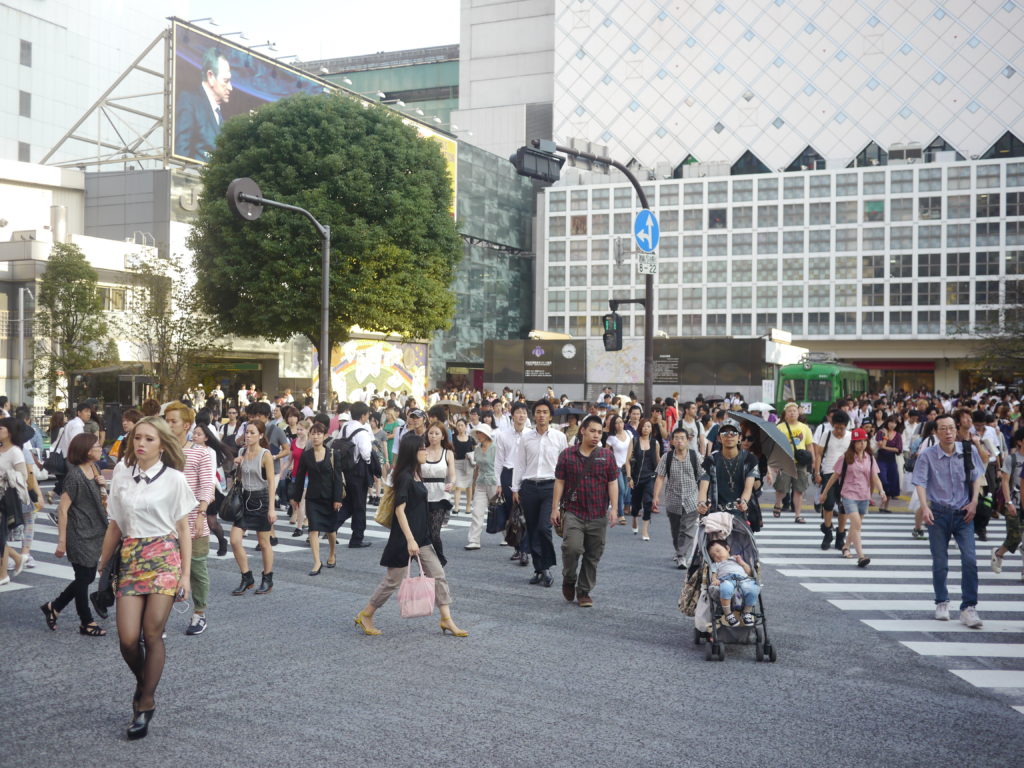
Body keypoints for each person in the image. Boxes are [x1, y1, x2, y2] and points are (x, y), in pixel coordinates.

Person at [95, 416, 196, 740]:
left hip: (164, 558)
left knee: (152, 633)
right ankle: (145, 682)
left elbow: (184, 530)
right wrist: (102, 562)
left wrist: (185, 576)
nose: (141, 443)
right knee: (126, 639)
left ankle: (145, 702)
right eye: (138, 437)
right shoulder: (123, 477)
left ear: (162, 444)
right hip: (131, 558)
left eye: (149, 439)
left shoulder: (175, 479)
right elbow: (115, 524)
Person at [354, 433, 467, 637]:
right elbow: (399, 509)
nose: (425, 451)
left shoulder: (417, 474)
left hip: (421, 537)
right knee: (392, 581)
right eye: (422, 449)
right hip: (404, 538)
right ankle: (366, 614)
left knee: (438, 575)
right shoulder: (405, 476)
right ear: (413, 452)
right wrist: (410, 539)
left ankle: (446, 619)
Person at [912, 414, 984, 629]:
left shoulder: (967, 451)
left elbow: (976, 478)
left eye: (951, 428)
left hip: (964, 513)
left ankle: (968, 607)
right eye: (943, 428)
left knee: (970, 559)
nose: (948, 432)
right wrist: (925, 507)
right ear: (935, 432)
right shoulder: (927, 456)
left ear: (957, 429)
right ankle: (942, 601)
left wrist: (974, 503)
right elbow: (920, 482)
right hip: (939, 513)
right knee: (940, 562)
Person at [42, 432, 108, 635]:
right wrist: (61, 541)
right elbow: (62, 509)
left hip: (96, 532)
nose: (100, 449)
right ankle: (86, 622)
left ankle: (54, 606)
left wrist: (102, 488)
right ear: (86, 451)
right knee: (84, 577)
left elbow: (100, 502)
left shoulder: (93, 468)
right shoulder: (75, 475)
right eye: (97, 446)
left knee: (85, 577)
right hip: (79, 533)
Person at [551, 414, 619, 607]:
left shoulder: (606, 456)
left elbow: (612, 483)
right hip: (573, 512)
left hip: (598, 513)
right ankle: (569, 578)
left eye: (599, 432)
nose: (596, 435)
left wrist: (614, 509)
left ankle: (583, 591)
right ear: (583, 431)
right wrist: (554, 508)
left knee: (592, 555)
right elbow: (560, 482)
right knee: (571, 548)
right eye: (592, 431)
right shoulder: (567, 455)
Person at [163, 402, 214, 636]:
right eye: (166, 420)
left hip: (193, 521)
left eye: (173, 421)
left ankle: (199, 613)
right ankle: (158, 619)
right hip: (164, 522)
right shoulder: (160, 451)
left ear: (186, 425)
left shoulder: (201, 452)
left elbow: (206, 486)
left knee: (196, 569)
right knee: (165, 570)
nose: (168, 424)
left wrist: (202, 513)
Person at [511, 399, 567, 588]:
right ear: (533, 416)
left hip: (551, 487)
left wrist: (566, 491)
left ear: (550, 416)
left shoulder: (559, 437)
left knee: (544, 527)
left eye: (545, 412)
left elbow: (564, 465)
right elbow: (519, 464)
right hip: (529, 487)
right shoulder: (526, 438)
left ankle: (547, 567)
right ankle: (538, 569)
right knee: (533, 529)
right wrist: (515, 488)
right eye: (538, 412)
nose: (541, 415)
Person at [819, 428, 884, 568]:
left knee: (855, 526)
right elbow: (834, 476)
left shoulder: (870, 458)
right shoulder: (845, 457)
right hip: (849, 495)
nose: (862, 444)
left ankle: (846, 547)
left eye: (864, 441)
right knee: (857, 524)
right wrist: (824, 492)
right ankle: (861, 556)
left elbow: (874, 476)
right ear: (853, 443)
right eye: (858, 441)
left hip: (864, 496)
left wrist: (882, 491)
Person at [229, 421, 276, 596]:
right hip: (244, 499)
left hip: (261, 499)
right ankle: (246, 576)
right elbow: (237, 478)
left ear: (261, 435)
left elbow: (271, 483)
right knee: (234, 540)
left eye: (252, 432)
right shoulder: (242, 452)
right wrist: (237, 464)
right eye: (246, 432)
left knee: (264, 543)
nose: (248, 435)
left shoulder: (265, 455)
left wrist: (271, 508)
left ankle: (267, 578)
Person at [291, 422, 344, 575]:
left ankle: (332, 554)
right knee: (313, 529)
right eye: (313, 434)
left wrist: (337, 499)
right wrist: (296, 497)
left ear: (325, 436)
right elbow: (300, 477)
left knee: (331, 530)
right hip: (313, 498)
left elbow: (338, 479)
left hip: (330, 498)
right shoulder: (306, 456)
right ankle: (317, 562)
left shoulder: (333, 454)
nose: (315, 436)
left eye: (318, 434)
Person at [652, 428, 702, 569]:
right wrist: (655, 496)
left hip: (692, 500)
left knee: (687, 529)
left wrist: (704, 496)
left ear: (687, 440)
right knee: (676, 530)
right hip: (673, 500)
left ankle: (682, 556)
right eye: (676, 438)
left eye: (682, 438)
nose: (679, 441)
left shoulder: (695, 456)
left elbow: (704, 476)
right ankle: (679, 550)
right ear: (672, 441)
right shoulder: (666, 457)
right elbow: (660, 477)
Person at [174, 47, 232, 162]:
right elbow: (181, 151)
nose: (230, 88)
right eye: (226, 81)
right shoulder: (190, 101)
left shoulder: (219, 113)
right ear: (210, 76)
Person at [495, 402, 531, 563]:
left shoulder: (531, 434)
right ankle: (518, 548)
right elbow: (498, 460)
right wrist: (498, 483)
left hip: (526, 475)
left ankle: (524, 550)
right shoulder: (503, 435)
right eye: (518, 412)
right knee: (513, 513)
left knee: (524, 512)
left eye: (524, 412)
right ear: (512, 415)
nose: (521, 415)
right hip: (508, 474)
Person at [812, 410, 851, 551]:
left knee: (844, 507)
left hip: (846, 475)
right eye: (837, 427)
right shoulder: (826, 434)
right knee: (828, 505)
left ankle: (840, 535)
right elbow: (819, 455)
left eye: (842, 427)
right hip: (828, 472)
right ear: (832, 425)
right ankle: (828, 532)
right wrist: (817, 472)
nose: (839, 430)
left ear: (846, 426)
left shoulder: (850, 436)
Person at [336, 402, 374, 548]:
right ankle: (357, 538)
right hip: (358, 471)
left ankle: (331, 527)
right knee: (359, 505)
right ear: (364, 415)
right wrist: (370, 463)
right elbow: (366, 453)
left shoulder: (345, 427)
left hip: (346, 470)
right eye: (367, 414)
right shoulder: (362, 431)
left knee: (349, 503)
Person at [772, 403, 814, 523]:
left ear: (798, 413)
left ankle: (798, 515)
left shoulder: (805, 428)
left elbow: (809, 445)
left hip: (800, 463)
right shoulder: (780, 427)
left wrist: (813, 462)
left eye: (794, 411)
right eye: (789, 411)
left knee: (799, 490)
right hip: (784, 462)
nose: (792, 413)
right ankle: (778, 503)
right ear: (785, 414)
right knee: (781, 488)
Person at [991, 427, 1023, 578]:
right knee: (1014, 537)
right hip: (1014, 504)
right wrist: (1008, 502)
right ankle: (998, 553)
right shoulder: (1012, 459)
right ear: (1019, 442)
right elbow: (1005, 481)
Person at [0, 416, 29, 586]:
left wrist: (5, 477)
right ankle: (17, 558)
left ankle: (3, 574)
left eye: (1, 429)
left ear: (9, 433)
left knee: (0, 538)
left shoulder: (15, 452)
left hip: (5, 500)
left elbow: (23, 476)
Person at [707, 539, 759, 627]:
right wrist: (714, 580)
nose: (717, 555)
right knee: (725, 587)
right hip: (726, 579)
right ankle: (728, 614)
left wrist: (742, 563)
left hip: (743, 579)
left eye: (718, 551)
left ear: (727, 548)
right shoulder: (716, 564)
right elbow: (714, 574)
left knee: (752, 589)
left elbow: (749, 573)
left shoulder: (736, 559)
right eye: (713, 555)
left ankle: (746, 612)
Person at [465, 423, 497, 551]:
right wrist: (473, 484)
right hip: (480, 482)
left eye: (480, 433)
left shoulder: (495, 448)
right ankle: (474, 540)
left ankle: (507, 536)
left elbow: (500, 466)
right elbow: (477, 468)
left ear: (486, 435)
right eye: (477, 433)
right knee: (477, 511)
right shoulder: (477, 449)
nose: (478, 435)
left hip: (494, 482)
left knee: (497, 511)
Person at [628, 418, 661, 540]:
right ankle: (634, 517)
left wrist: (661, 474)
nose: (646, 428)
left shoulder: (655, 443)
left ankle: (645, 530)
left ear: (651, 429)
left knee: (647, 502)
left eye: (648, 426)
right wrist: (629, 477)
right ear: (640, 428)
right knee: (636, 504)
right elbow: (627, 461)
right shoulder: (634, 441)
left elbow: (658, 460)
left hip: (650, 476)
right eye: (644, 426)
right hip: (636, 477)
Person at [874, 417, 903, 512]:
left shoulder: (898, 435)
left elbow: (898, 450)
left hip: (892, 461)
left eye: (895, 423)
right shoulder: (881, 432)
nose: (893, 424)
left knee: (892, 482)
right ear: (887, 422)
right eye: (891, 422)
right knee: (884, 481)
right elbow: (881, 445)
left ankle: (884, 507)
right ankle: (883, 502)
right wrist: (885, 436)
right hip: (881, 460)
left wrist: (885, 447)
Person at [451, 419, 476, 516]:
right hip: (457, 463)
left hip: (468, 464)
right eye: (458, 425)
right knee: (458, 485)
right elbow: (450, 450)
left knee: (468, 486)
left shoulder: (470, 439)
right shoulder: (453, 438)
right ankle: (456, 506)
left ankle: (468, 505)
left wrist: (471, 456)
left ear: (466, 426)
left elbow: (476, 450)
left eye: (462, 425)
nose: (460, 427)